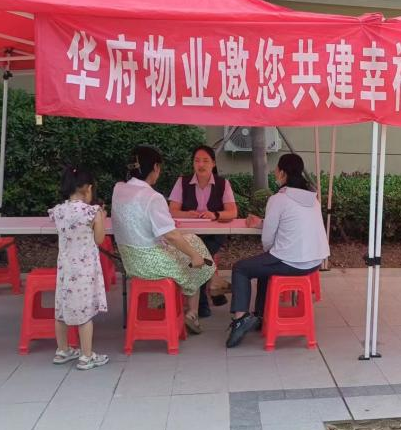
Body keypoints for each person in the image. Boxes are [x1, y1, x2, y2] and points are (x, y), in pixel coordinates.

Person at [225, 153, 330, 348]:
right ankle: (260, 316)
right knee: (265, 267)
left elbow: (268, 238)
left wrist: (269, 251)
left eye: (276, 169)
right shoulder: (312, 198)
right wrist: (261, 223)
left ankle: (240, 319)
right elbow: (291, 222)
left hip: (291, 262)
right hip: (315, 262)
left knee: (240, 268)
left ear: (283, 173)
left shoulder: (278, 199)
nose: (275, 172)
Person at [111, 145, 215, 335]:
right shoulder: (152, 197)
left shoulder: (118, 189)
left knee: (192, 240)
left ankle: (195, 302)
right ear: (156, 167)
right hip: (151, 263)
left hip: (130, 261)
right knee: (193, 261)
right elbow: (171, 235)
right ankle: (192, 310)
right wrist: (194, 256)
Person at [49, 166, 109, 370]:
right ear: (88, 188)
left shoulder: (58, 211)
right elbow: (99, 239)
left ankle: (62, 350)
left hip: (65, 269)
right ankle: (86, 356)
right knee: (85, 313)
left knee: (61, 310)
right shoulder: (92, 212)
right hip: (85, 271)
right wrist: (101, 218)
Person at [168, 145, 237, 317]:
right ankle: (212, 288)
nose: (201, 165)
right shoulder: (182, 182)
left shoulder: (223, 184)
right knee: (198, 253)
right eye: (197, 161)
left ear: (213, 163)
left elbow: (232, 212)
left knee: (199, 254)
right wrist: (187, 214)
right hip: (189, 235)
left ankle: (203, 303)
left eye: (206, 161)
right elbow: (172, 210)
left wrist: (215, 214)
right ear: (193, 163)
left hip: (214, 235)